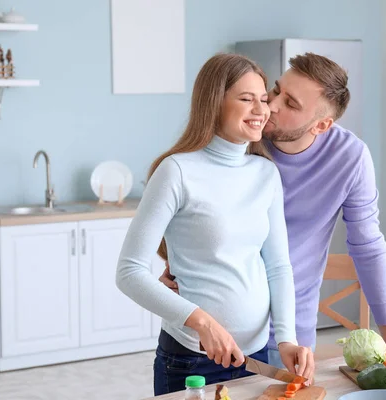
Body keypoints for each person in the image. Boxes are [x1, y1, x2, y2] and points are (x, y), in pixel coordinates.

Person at [159, 52, 386, 370]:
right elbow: (187, 207)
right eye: (276, 90)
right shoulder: (240, 140)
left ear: (322, 125)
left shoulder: (349, 158)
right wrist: (173, 260)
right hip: (217, 329)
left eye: (291, 104)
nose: (269, 105)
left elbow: (367, 246)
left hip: (290, 336)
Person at [115, 53, 314, 396]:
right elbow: (129, 272)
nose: (261, 109)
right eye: (246, 98)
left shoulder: (266, 174)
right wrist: (202, 321)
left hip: (255, 355)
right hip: (192, 359)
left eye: (263, 99)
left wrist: (286, 338)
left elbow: (278, 265)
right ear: (214, 103)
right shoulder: (176, 171)